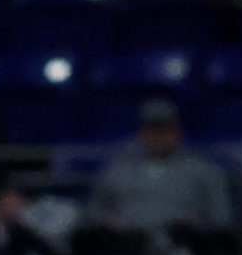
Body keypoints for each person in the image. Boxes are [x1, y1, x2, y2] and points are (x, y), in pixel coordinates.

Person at [88, 100, 234, 241]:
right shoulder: (118, 168)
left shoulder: (203, 169)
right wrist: (110, 223)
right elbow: (93, 213)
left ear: (177, 132)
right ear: (142, 133)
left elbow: (221, 219)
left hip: (183, 246)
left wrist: (198, 226)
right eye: (152, 130)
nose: (158, 137)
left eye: (164, 130)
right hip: (126, 245)